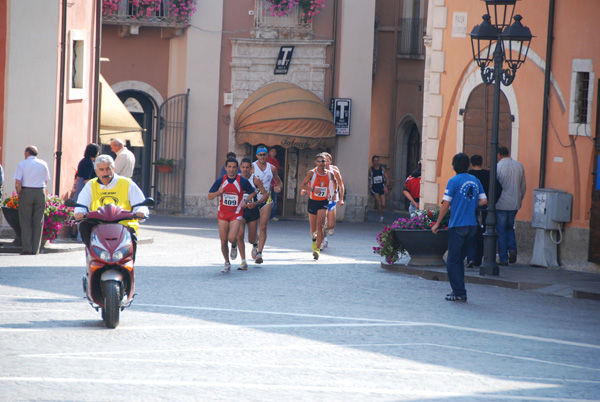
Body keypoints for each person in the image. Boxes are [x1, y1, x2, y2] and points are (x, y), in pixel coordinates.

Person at [432, 153, 487, 302]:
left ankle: (459, 292)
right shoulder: (475, 180)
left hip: (457, 225)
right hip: (472, 225)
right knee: (460, 260)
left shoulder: (454, 181)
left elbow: (445, 205)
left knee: (452, 261)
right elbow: (484, 200)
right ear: (468, 165)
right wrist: (471, 204)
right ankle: (460, 290)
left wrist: (437, 223)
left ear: (454, 166)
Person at [74, 154, 149, 259]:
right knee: (84, 225)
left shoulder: (127, 183)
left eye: (108, 169)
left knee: (131, 244)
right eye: (101, 169)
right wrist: (79, 212)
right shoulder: (91, 185)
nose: (105, 173)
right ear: (96, 172)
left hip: (124, 225)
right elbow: (81, 203)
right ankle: (93, 256)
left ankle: (128, 267)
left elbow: (141, 203)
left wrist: (141, 212)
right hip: (98, 225)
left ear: (113, 169)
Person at [208, 157, 256, 273]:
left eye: (234, 167)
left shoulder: (242, 181)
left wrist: (246, 201)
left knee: (231, 238)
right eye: (229, 167)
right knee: (223, 240)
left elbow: (253, 191)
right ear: (226, 168)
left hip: (236, 213)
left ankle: (234, 244)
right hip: (223, 213)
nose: (231, 169)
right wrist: (218, 193)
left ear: (237, 169)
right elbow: (209, 196)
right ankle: (227, 262)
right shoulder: (221, 180)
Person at [466, 154, 502, 267]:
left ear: (471, 163)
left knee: (470, 233)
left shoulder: (468, 175)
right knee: (482, 234)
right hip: (484, 208)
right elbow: (499, 188)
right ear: (481, 163)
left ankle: (470, 258)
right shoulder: (488, 174)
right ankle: (478, 259)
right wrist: (492, 203)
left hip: (470, 208)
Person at [13, 146, 50, 255]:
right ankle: (36, 249)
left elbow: (18, 182)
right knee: (38, 221)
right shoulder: (43, 163)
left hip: (27, 191)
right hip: (40, 191)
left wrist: (19, 192)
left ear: (27, 152)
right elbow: (46, 180)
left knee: (25, 221)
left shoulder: (22, 164)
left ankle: (27, 248)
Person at [301, 153, 338, 260]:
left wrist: (334, 192)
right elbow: (303, 185)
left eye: (323, 161)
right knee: (313, 229)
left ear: (326, 162)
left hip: (323, 202)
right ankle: (314, 240)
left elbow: (335, 181)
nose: (321, 163)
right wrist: (312, 190)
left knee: (320, 224)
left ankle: (317, 249)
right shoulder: (312, 173)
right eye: (319, 161)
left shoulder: (330, 174)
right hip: (313, 201)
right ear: (316, 163)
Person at [251, 146, 283, 264]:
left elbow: (279, 182)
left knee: (263, 226)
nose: (262, 157)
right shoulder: (252, 167)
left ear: (267, 155)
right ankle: (255, 243)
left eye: (264, 154)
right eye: (260, 155)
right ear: (257, 156)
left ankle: (259, 253)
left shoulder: (272, 168)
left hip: (266, 199)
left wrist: (278, 187)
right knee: (252, 229)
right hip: (254, 199)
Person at [495, 146, 526, 266]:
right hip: (514, 203)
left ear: (499, 155)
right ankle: (512, 249)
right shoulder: (519, 165)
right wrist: (519, 199)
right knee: (510, 227)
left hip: (501, 203)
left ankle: (503, 258)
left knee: (501, 230)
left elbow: (496, 186)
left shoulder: (498, 167)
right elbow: (523, 186)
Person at [235, 158, 268, 270]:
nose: (245, 170)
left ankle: (255, 243)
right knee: (240, 235)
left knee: (250, 239)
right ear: (240, 168)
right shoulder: (236, 179)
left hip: (252, 210)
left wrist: (256, 203)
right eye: (243, 167)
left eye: (247, 167)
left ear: (251, 168)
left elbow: (265, 195)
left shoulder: (255, 180)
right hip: (240, 210)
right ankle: (243, 261)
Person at [72, 143, 100, 240]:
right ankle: (81, 237)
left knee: (80, 210)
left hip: (80, 185)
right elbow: (87, 179)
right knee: (84, 210)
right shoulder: (89, 162)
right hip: (84, 187)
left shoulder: (83, 161)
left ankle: (76, 234)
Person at [322, 152, 344, 248]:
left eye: (327, 160)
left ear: (330, 161)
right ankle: (323, 240)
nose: (325, 162)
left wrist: (341, 199)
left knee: (330, 225)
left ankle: (330, 227)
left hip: (332, 199)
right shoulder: (316, 171)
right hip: (321, 199)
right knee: (321, 221)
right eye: (324, 160)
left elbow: (341, 184)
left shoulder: (334, 171)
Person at [369, 155, 389, 223]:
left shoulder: (382, 169)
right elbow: (369, 177)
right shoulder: (371, 169)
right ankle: (381, 217)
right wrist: (369, 184)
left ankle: (379, 210)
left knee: (383, 204)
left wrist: (386, 186)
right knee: (379, 203)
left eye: (377, 160)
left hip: (381, 187)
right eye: (375, 161)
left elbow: (387, 178)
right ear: (372, 162)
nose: (376, 162)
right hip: (374, 187)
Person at [267, 147, 281, 221]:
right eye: (272, 151)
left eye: (275, 151)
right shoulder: (266, 161)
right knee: (266, 200)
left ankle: (272, 215)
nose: (274, 152)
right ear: (269, 152)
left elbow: (276, 174)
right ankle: (266, 215)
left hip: (274, 183)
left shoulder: (276, 161)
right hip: (267, 184)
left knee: (274, 200)